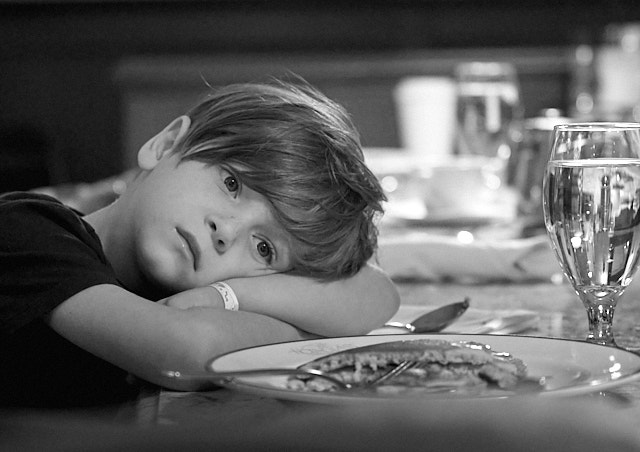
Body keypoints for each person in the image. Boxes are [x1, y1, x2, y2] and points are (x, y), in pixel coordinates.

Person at [0, 79, 399, 407]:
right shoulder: (25, 230)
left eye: (264, 248)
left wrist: (223, 297)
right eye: (232, 184)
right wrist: (309, 335)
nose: (226, 231)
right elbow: (186, 351)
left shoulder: (172, 291)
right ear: (165, 144)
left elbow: (374, 293)